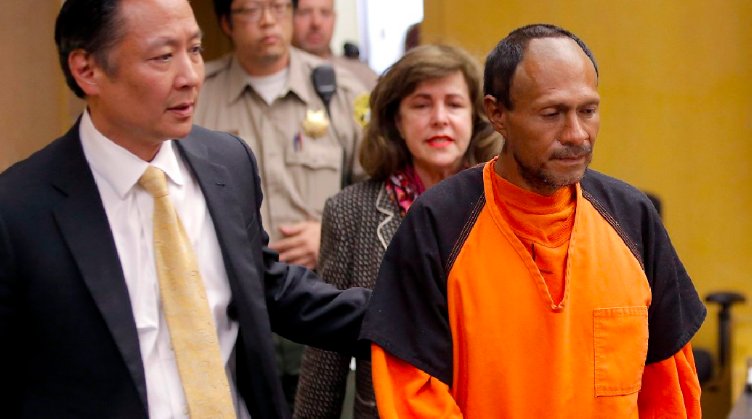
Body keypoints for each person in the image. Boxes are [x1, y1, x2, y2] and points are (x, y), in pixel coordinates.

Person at [0, 0, 369, 418]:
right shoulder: (20, 210)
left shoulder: (227, 163)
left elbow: (267, 287)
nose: (191, 76)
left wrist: (402, 314)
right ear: (87, 70)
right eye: (163, 56)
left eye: (194, 49)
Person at [360, 24, 707, 418]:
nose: (576, 134)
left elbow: (669, 391)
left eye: (588, 110)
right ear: (497, 113)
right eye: (551, 114)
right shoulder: (439, 224)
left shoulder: (631, 217)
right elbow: (413, 394)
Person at [294, 44, 502, 419]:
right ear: (396, 121)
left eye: (454, 104)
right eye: (421, 105)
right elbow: (326, 352)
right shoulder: (350, 211)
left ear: (476, 119)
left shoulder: (503, 204)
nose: (439, 119)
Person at [196, 0, 370, 405]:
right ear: (226, 23)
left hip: (321, 297)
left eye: (277, 7)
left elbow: (378, 193)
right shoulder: (199, 95)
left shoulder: (340, 91)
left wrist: (329, 234)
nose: (267, 21)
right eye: (250, 9)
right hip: (233, 302)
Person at [292, 0, 378, 89]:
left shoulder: (363, 77)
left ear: (335, 19)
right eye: (304, 13)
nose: (316, 22)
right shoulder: (283, 76)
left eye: (325, 13)